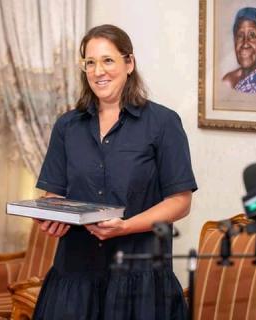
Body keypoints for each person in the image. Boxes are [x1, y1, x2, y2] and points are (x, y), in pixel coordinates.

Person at [33, 24, 197, 320]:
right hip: (75, 274)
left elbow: (180, 202)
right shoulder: (67, 126)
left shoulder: (163, 123)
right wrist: (53, 215)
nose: (99, 71)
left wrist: (126, 226)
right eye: (90, 63)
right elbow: (54, 192)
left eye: (108, 60)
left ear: (129, 63)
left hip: (141, 278)